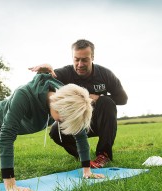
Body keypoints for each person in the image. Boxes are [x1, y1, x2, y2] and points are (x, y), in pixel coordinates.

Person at [0, 73, 105, 191]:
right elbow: (6, 137)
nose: (64, 122)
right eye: (64, 119)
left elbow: (80, 135)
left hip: (14, 125)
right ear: (58, 107)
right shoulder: (24, 95)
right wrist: (10, 185)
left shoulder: (68, 99)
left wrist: (87, 170)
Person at [29, 39, 128, 168]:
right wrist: (43, 71)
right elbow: (41, 84)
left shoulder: (105, 74)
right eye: (76, 59)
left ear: (92, 57)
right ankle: (81, 155)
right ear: (72, 58)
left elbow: (123, 99)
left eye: (85, 60)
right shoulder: (64, 73)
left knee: (107, 102)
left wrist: (98, 97)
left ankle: (103, 154)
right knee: (54, 131)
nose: (80, 64)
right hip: (75, 122)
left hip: (98, 123)